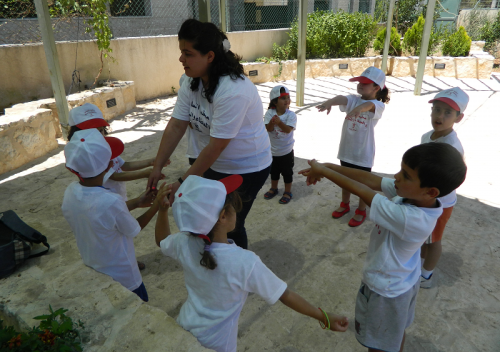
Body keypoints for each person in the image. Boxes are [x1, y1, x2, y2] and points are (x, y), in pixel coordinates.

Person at [299, 142, 467, 352]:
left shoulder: (413, 219)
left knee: (377, 344)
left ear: (431, 191)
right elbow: (371, 180)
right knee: (394, 335)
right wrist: (330, 167)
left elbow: (364, 191)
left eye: (405, 175)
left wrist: (323, 171)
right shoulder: (413, 197)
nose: (397, 176)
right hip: (402, 283)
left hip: (386, 292)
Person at [155, 175, 349, 352]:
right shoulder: (244, 262)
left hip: (185, 325)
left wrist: (162, 211)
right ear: (223, 216)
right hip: (217, 344)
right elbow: (285, 295)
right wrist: (323, 317)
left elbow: (162, 241)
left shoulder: (184, 242)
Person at [147, 18, 272, 249]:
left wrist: (183, 181)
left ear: (210, 56)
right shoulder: (191, 81)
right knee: (206, 219)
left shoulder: (233, 90)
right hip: (209, 161)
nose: (181, 59)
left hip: (245, 168)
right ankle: (212, 267)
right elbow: (176, 125)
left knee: (229, 224)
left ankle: (236, 273)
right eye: (181, 52)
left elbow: (217, 146)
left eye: (188, 53)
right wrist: (158, 165)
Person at [61, 129, 169, 301]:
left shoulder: (70, 192)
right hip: (125, 276)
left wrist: (137, 202)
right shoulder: (111, 200)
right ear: (110, 165)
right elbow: (134, 228)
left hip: (95, 267)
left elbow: (99, 214)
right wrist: (156, 207)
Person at [316, 66, 390, 227]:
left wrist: (360, 108)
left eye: (365, 83)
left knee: (363, 184)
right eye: (359, 82)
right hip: (346, 151)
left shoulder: (378, 105)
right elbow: (342, 98)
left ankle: (361, 210)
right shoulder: (354, 99)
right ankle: (345, 204)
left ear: (377, 87)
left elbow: (369, 107)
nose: (360, 85)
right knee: (345, 180)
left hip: (363, 154)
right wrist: (330, 102)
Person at [419, 87, 468, 289]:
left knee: (434, 240)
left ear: (459, 117)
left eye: (448, 112)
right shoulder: (427, 136)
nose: (440, 116)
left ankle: (426, 275)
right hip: (424, 197)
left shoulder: (452, 148)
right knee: (423, 235)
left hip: (440, 202)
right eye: (437, 109)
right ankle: (419, 264)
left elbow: (455, 178)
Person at [68, 103, 165, 202]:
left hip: (118, 195)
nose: (99, 136)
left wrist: (151, 162)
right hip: (106, 200)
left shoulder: (106, 147)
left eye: (100, 130)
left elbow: (123, 165)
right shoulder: (90, 155)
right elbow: (114, 176)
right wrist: (144, 173)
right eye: (92, 132)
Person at [263, 85, 297, 204]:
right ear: (275, 101)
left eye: (288, 97)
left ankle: (287, 191)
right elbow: (269, 129)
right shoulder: (270, 113)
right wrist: (273, 122)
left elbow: (288, 130)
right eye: (283, 98)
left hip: (286, 151)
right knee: (274, 172)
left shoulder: (291, 115)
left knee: (287, 172)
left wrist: (279, 122)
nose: (287, 100)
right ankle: (274, 188)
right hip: (273, 151)